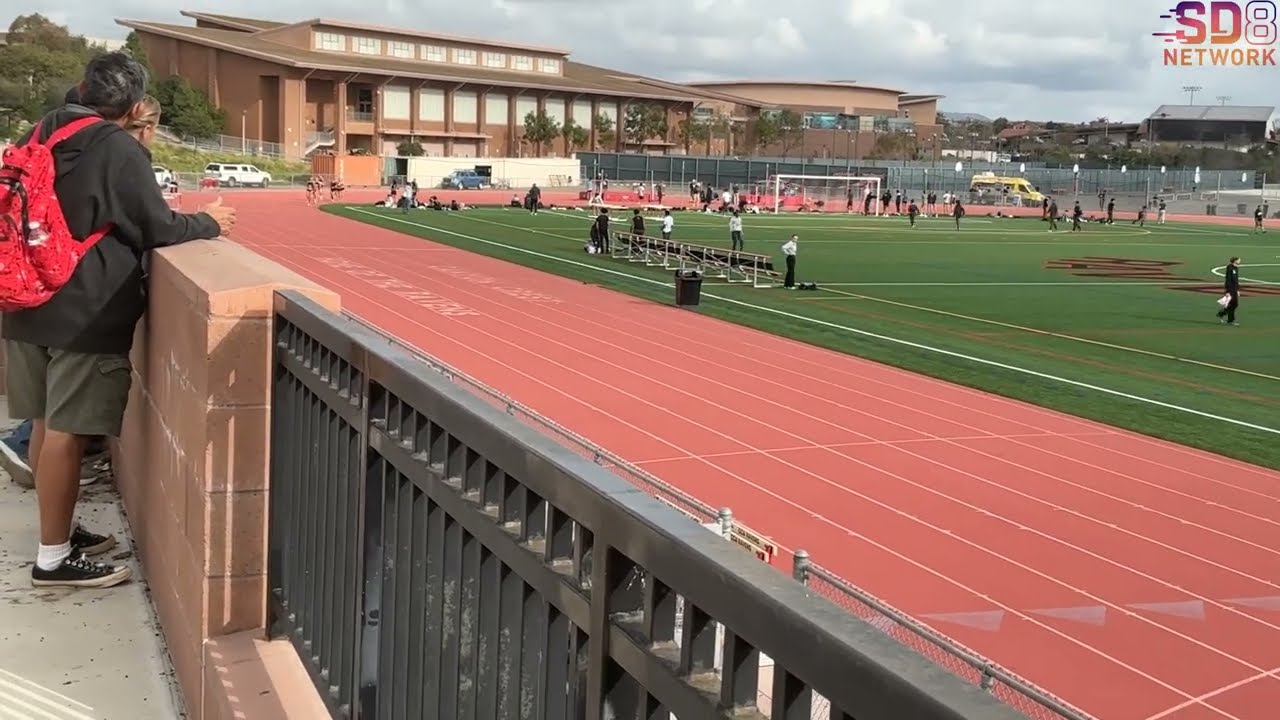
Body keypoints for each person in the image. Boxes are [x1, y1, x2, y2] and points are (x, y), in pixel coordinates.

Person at [2, 53, 234, 589]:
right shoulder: (116, 147)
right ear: (132, 109)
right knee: (65, 432)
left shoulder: (42, 130)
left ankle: (57, 532)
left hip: (27, 297)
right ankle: (53, 560)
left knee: (44, 423)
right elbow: (157, 226)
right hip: (84, 310)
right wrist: (210, 221)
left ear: (80, 87)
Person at [1217, 256, 1241, 325]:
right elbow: (1228, 280)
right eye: (1238, 260)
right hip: (1230, 289)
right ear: (1235, 260)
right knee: (1233, 304)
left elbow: (1236, 280)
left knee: (1234, 304)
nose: (1240, 261)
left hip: (1234, 289)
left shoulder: (1236, 268)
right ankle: (1230, 320)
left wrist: (1237, 290)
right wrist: (1227, 291)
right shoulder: (1230, 268)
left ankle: (1222, 314)